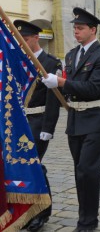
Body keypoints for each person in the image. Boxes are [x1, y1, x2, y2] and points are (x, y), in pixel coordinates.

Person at [41, 7, 100, 232]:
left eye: (81, 28)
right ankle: (85, 218)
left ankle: (88, 222)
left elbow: (94, 88)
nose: (76, 32)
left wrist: (62, 83)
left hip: (97, 119)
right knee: (80, 173)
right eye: (75, 28)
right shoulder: (72, 55)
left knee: (88, 171)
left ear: (93, 30)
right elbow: (69, 90)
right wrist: (55, 87)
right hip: (75, 120)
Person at [15, 20, 62, 232]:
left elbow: (54, 99)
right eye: (19, 39)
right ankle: (25, 210)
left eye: (25, 39)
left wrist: (48, 128)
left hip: (37, 120)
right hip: (18, 122)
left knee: (33, 164)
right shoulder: (17, 60)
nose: (22, 43)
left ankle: (42, 212)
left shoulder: (50, 63)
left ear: (36, 38)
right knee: (21, 166)